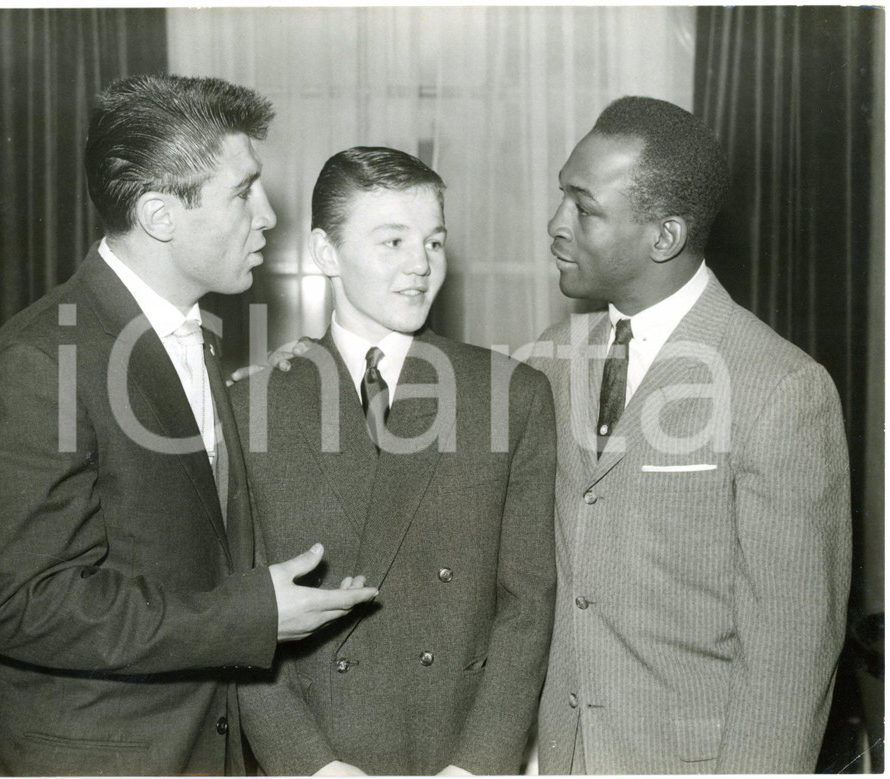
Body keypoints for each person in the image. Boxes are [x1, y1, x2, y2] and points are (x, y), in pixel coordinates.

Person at [0, 74, 377, 776]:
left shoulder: (195, 337)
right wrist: (251, 615)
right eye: (244, 191)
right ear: (160, 214)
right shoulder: (41, 356)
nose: (270, 215)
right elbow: (29, 604)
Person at [531, 96, 852, 774]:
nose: (556, 225)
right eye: (562, 196)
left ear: (663, 236)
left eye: (583, 208)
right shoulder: (550, 359)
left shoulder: (782, 388)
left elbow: (790, 664)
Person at [229, 147, 557, 776]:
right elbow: (239, 615)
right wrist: (312, 766)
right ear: (327, 254)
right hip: (317, 755)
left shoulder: (510, 395)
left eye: (434, 243)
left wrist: (477, 766)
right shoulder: (249, 407)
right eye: (393, 242)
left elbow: (527, 606)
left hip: (456, 752)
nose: (420, 267)